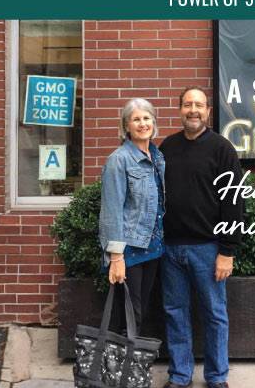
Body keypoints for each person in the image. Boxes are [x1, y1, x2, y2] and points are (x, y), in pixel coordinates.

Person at [159, 87, 244, 388]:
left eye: (198, 105)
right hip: (170, 249)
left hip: (208, 249)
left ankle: (217, 377)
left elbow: (233, 200)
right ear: (179, 110)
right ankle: (180, 376)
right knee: (174, 312)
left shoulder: (221, 149)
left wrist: (228, 250)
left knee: (214, 315)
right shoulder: (167, 147)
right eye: (187, 105)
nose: (192, 110)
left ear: (208, 111)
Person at [98, 98, 165, 335]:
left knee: (142, 311)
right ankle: (125, 370)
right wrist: (116, 257)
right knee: (129, 313)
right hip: (129, 250)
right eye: (136, 119)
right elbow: (111, 211)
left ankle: (131, 365)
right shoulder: (119, 159)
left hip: (153, 247)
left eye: (147, 118)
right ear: (126, 126)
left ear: (153, 123)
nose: (142, 123)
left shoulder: (157, 157)